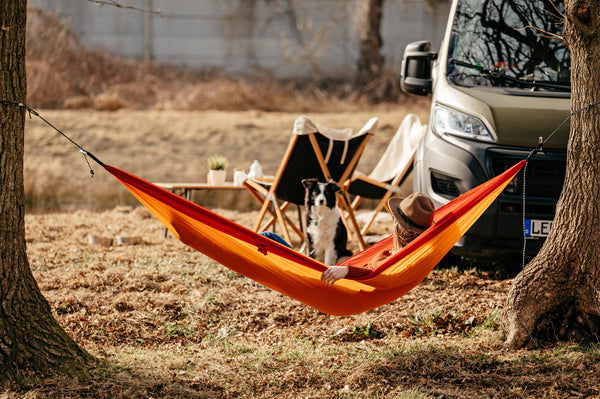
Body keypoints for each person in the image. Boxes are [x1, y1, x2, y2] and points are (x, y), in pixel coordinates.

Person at [320, 192, 435, 286]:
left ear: (398, 225)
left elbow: (378, 276)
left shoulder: (401, 260)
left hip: (352, 280)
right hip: (354, 271)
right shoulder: (408, 252)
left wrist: (347, 271)